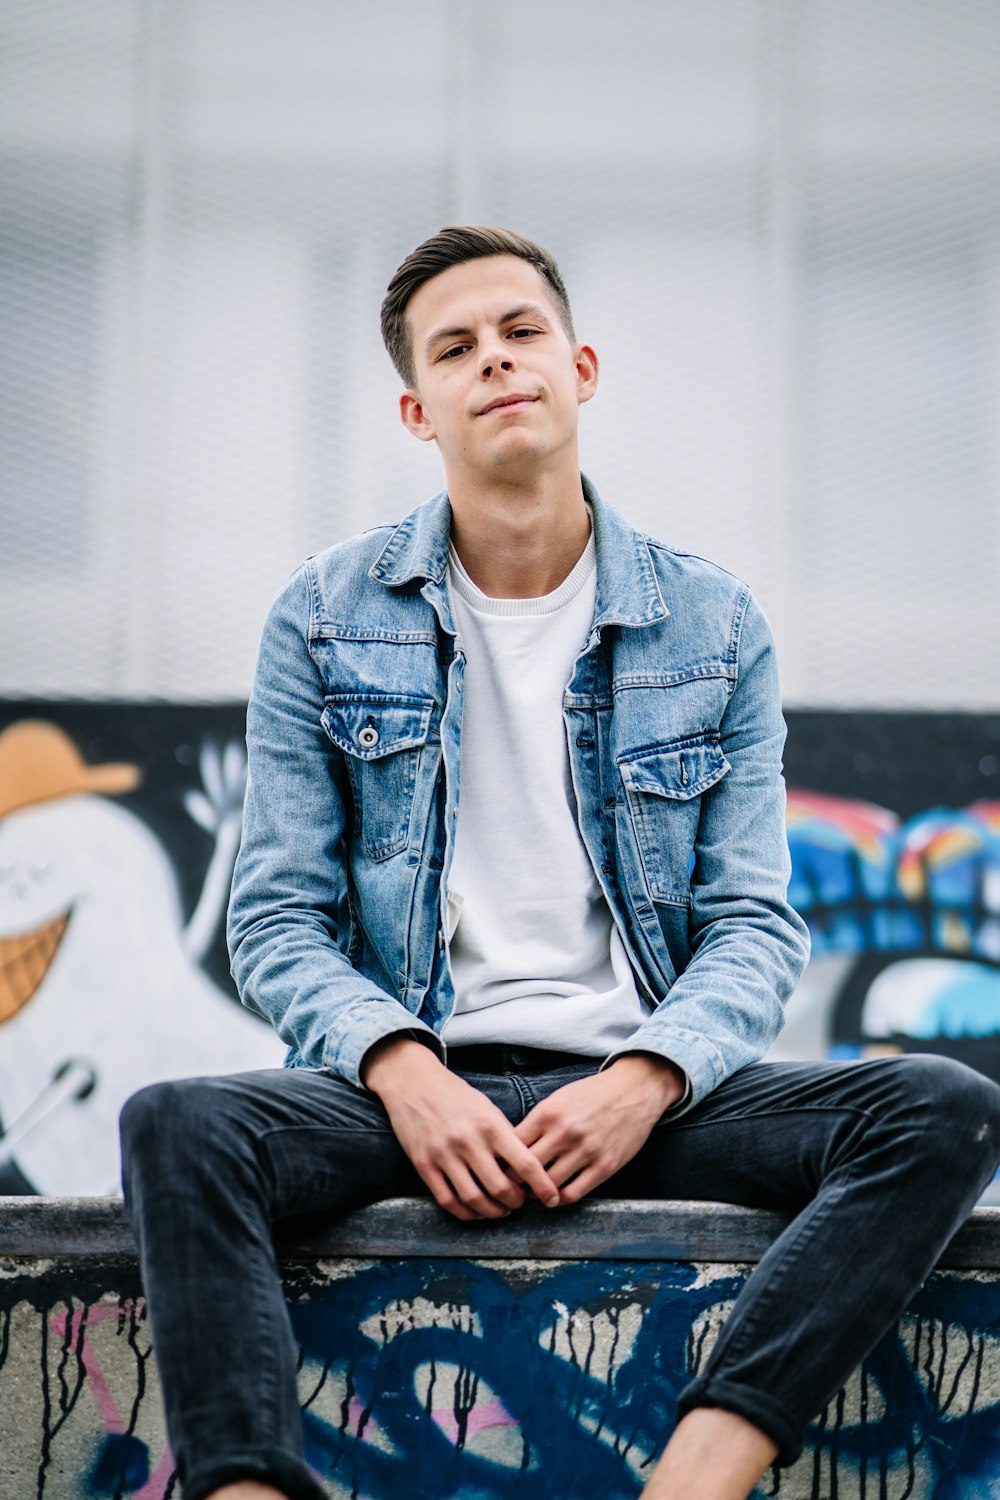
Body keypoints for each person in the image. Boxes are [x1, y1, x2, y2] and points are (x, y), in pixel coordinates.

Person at [120, 226, 1000, 1500]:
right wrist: (404, 1070)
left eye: (521, 332)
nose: (497, 362)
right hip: (409, 1097)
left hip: (648, 1104)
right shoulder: (321, 615)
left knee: (938, 1107)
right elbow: (275, 921)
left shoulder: (713, 620)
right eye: (457, 348)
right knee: (181, 1126)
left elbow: (752, 926)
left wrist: (646, 1077)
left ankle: (699, 1473)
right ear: (420, 409)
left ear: (580, 367)